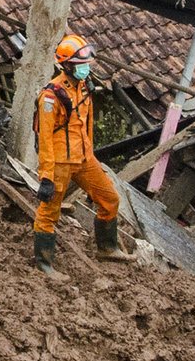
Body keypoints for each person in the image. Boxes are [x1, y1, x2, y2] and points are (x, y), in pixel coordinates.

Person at [31, 34, 127, 272]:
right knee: (49, 212)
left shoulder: (84, 88)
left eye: (86, 64)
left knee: (110, 199)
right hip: (60, 161)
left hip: (84, 158)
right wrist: (46, 176)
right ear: (66, 65)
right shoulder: (51, 96)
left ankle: (107, 248)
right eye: (80, 65)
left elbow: (87, 124)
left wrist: (91, 154)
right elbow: (44, 138)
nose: (85, 69)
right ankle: (44, 263)